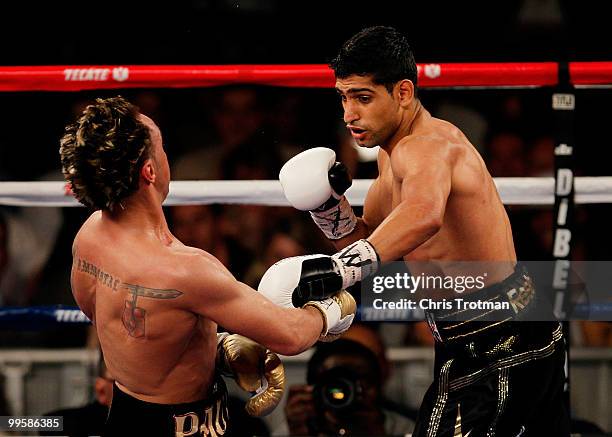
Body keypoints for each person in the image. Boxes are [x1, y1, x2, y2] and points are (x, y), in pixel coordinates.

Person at [265, 26, 568, 436]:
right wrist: (327, 207)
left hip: (499, 338)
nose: (348, 114)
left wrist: (340, 271)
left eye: (363, 97)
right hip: (485, 333)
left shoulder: (426, 145)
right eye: (343, 97)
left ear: (403, 92)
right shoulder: (392, 158)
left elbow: (424, 215)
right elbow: (371, 242)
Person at [59, 96, 357, 436]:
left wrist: (214, 349)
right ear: (150, 171)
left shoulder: (89, 238)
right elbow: (290, 336)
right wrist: (333, 308)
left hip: (127, 415)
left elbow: (125, 329)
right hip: (187, 426)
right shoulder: (186, 269)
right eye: (161, 148)